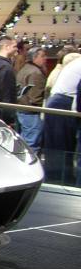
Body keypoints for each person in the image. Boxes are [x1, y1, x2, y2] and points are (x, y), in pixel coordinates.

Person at [43, 52, 81, 184]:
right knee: (60, 147)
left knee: (60, 146)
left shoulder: (76, 63)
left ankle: (61, 180)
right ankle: (59, 181)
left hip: (60, 102)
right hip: (63, 103)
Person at [15, 47, 47, 149]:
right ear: (34, 58)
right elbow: (35, 98)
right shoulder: (35, 72)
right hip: (31, 112)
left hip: (22, 110)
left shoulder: (24, 69)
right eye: (42, 56)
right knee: (32, 144)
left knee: (24, 142)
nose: (45, 58)